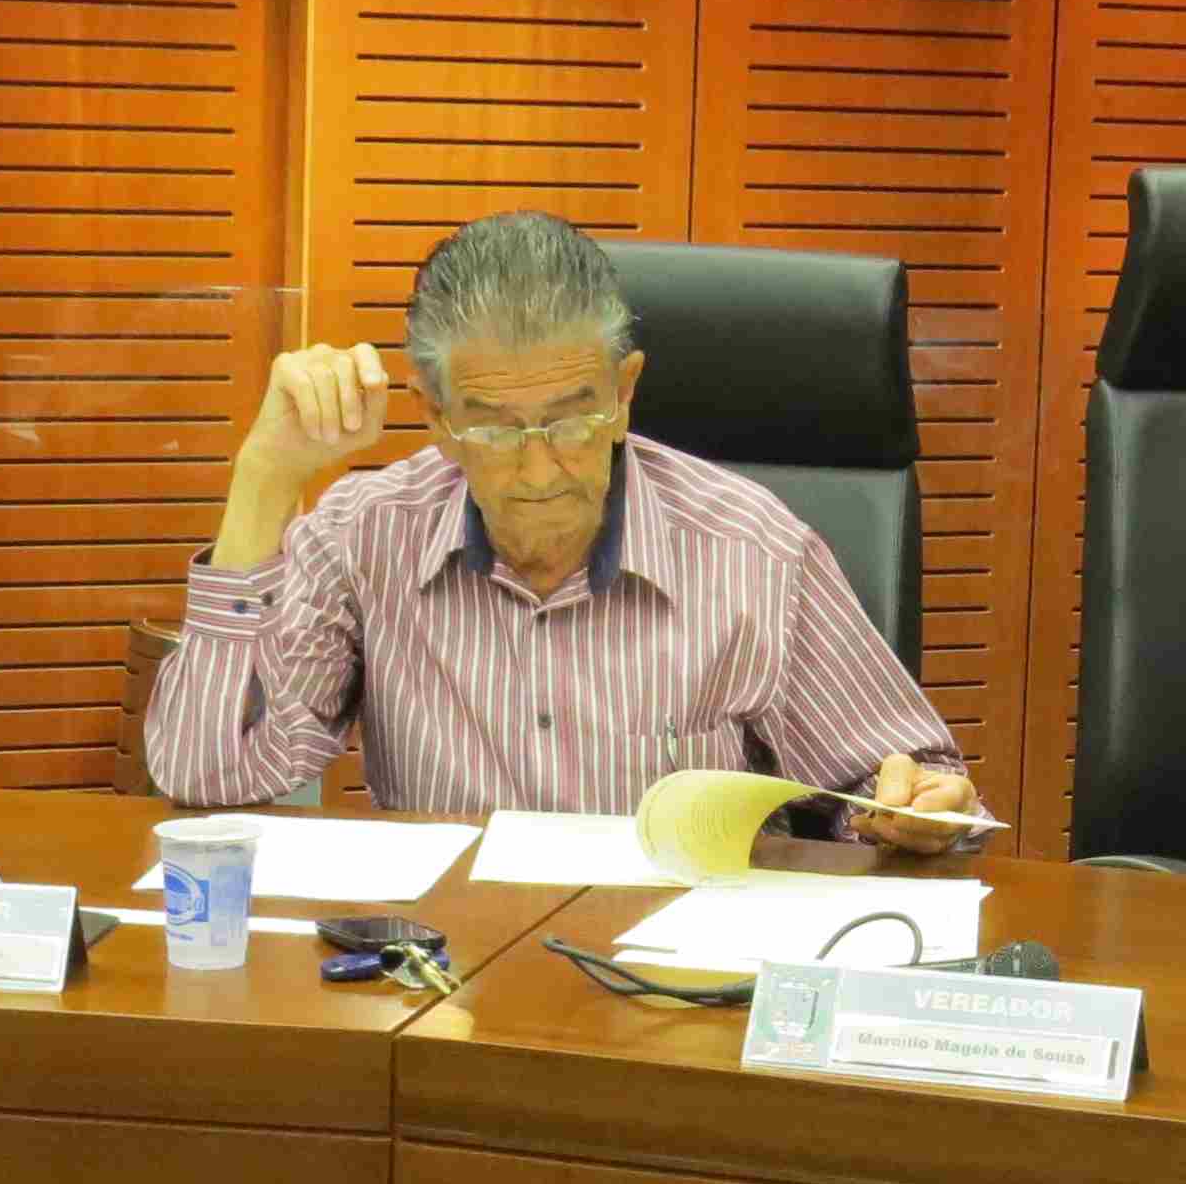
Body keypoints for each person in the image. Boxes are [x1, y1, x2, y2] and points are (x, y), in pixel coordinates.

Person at [145, 209, 983, 848]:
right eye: (495, 428)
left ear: (624, 392)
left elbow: (902, 787)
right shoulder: (364, 535)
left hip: (682, 977)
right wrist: (264, 482)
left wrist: (914, 810)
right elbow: (207, 776)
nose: (540, 470)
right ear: (433, 415)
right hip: (444, 976)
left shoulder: (751, 548)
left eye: (573, 419)